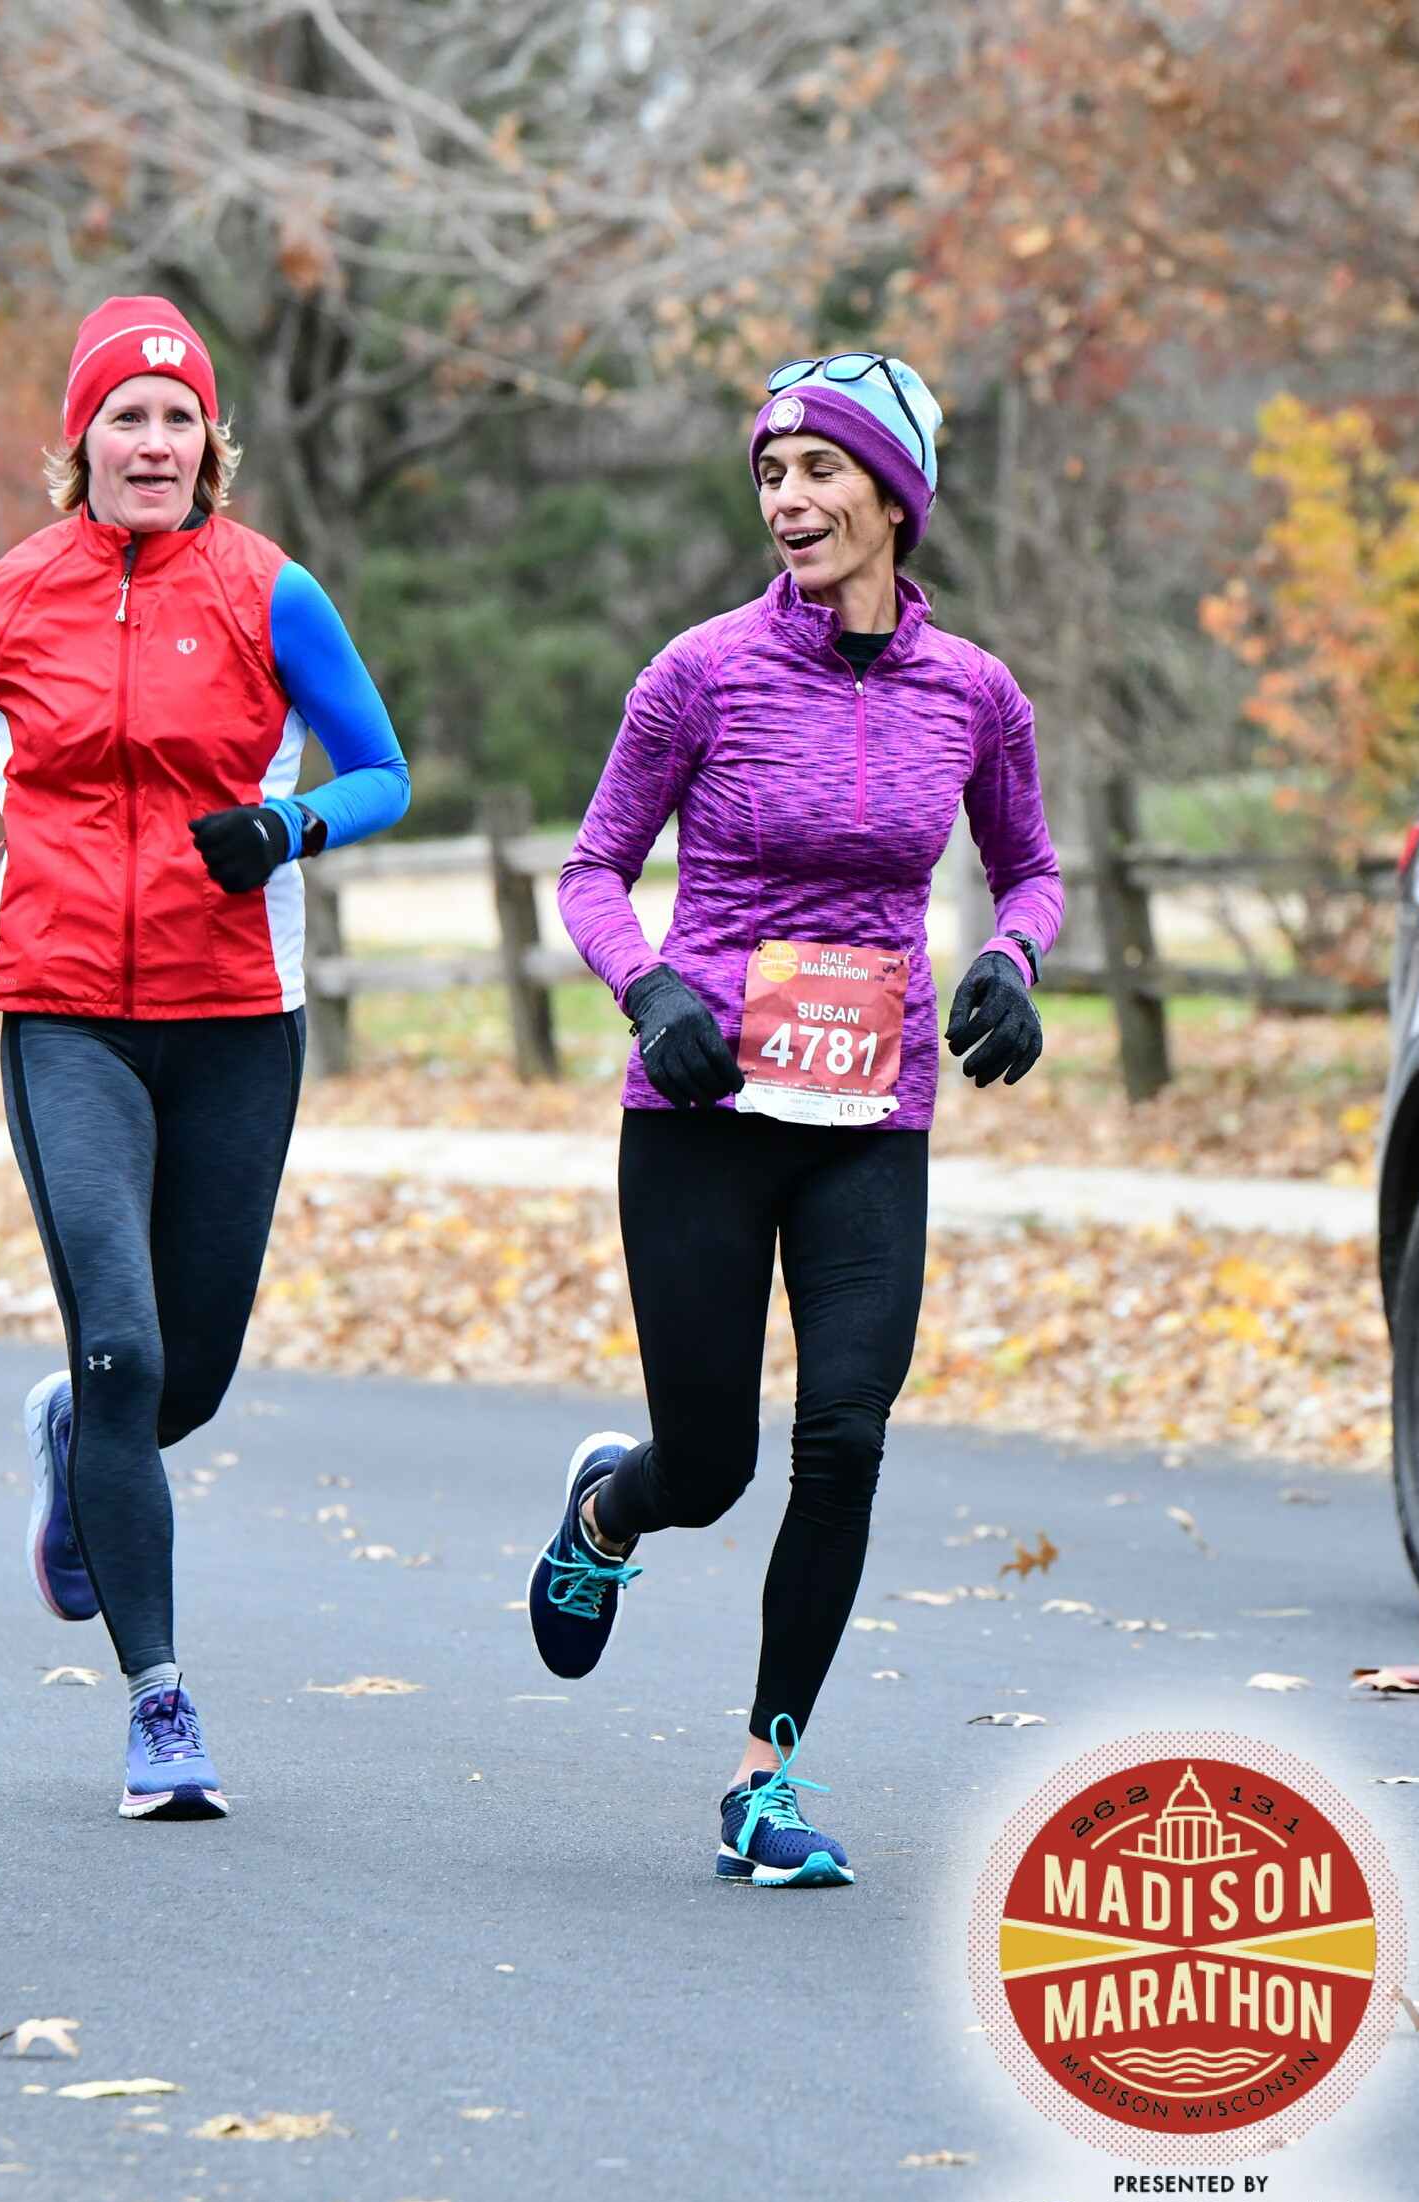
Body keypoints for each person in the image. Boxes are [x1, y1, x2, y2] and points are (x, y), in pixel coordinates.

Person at [528, 352, 1062, 1884]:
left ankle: (764, 1778)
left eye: (819, 469)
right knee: (711, 1467)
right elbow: (591, 869)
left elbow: (1030, 869)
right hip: (702, 1103)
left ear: (894, 496)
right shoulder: (699, 672)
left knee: (843, 1440)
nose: (788, 498)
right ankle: (608, 1511)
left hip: (869, 1115)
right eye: (770, 474)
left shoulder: (976, 694)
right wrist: (650, 991)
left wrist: (1013, 962)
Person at [0, 296, 409, 1818]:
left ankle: (77, 1439)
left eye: (178, 419)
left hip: (236, 1021)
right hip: (65, 1011)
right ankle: (159, 1706)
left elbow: (384, 773)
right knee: (125, 1349)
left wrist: (289, 823)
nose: (153, 443)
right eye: (126, 417)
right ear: (79, 440)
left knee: (186, 1380)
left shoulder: (274, 592)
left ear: (210, 444)